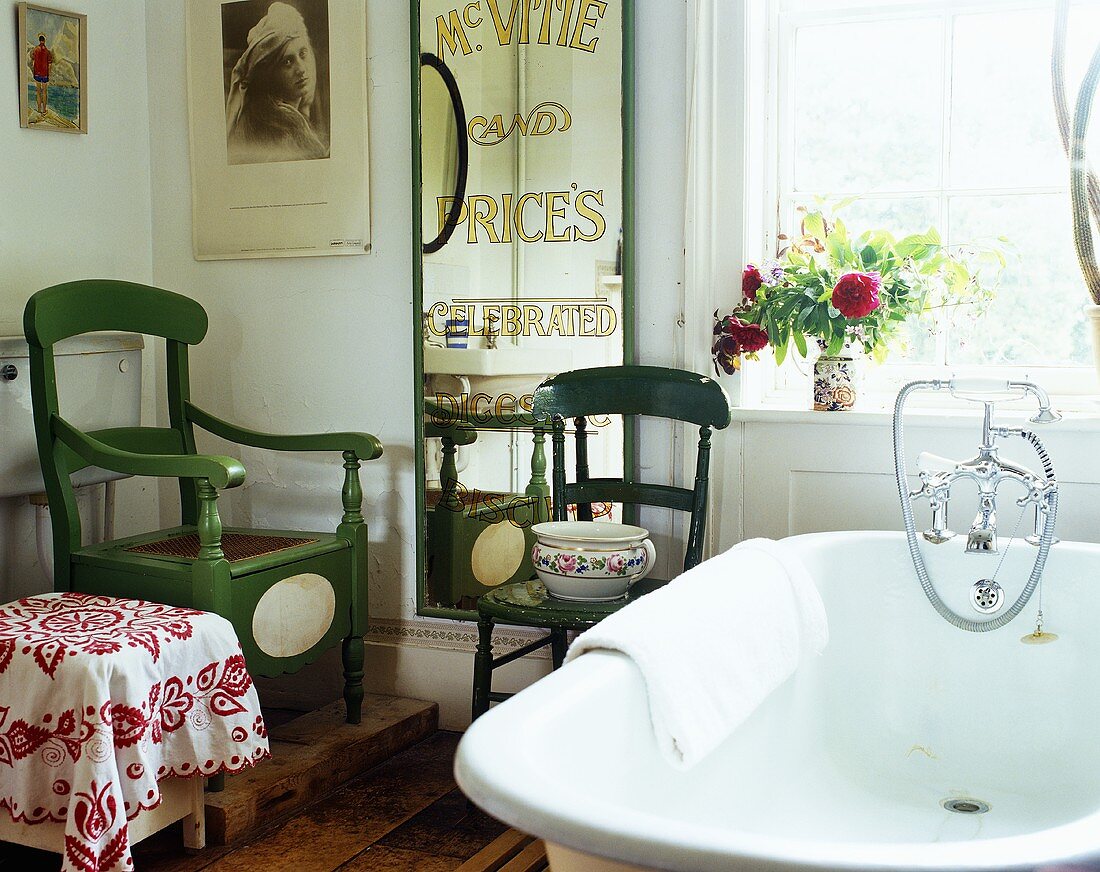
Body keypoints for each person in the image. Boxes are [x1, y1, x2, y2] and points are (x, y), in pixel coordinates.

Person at [225, 2, 329, 165]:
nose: (301, 69)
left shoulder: (292, 118)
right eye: (287, 61)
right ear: (269, 75)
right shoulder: (277, 132)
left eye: (302, 54)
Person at [31, 34, 52, 116]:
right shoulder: (47, 51)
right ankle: (44, 110)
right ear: (44, 41)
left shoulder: (35, 50)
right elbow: (50, 64)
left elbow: (33, 62)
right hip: (45, 74)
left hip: (37, 73)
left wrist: (34, 71)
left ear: (39, 40)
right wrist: (48, 73)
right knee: (44, 92)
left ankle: (39, 109)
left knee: (38, 91)